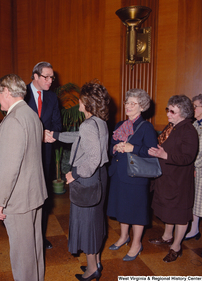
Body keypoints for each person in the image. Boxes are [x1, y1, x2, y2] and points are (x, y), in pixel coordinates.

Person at [0, 74, 48, 281]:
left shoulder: (13, 120)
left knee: (22, 255)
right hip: (32, 192)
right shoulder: (31, 115)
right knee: (34, 248)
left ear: (6, 92)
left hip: (17, 198)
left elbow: (9, 167)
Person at [46, 80, 110, 281]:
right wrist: (55, 135)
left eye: (81, 100)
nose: (78, 103)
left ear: (86, 102)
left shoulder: (88, 125)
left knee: (87, 224)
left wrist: (75, 174)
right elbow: (79, 137)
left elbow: (93, 158)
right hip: (99, 177)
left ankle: (92, 270)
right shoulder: (98, 122)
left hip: (87, 178)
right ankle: (96, 262)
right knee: (96, 222)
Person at [107, 89, 158, 261]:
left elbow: (152, 153)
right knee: (122, 207)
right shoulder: (119, 125)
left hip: (136, 177)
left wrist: (132, 148)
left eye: (133, 103)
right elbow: (110, 147)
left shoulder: (147, 127)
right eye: (127, 102)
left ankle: (136, 243)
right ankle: (123, 237)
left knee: (136, 211)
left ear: (142, 107)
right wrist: (114, 148)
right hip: (119, 174)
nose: (128, 106)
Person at [148, 95, 199, 262]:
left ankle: (176, 246)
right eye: (167, 110)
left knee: (179, 214)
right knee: (168, 209)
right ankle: (167, 236)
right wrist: (156, 151)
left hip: (179, 181)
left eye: (172, 111)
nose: (168, 114)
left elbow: (188, 157)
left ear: (183, 113)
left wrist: (165, 155)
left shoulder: (188, 130)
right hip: (167, 178)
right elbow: (163, 145)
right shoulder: (172, 126)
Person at [25, 61, 62, 249]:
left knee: (43, 196)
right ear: (36, 77)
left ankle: (40, 236)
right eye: (46, 77)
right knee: (26, 196)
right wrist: (38, 135)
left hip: (45, 154)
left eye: (52, 77)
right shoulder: (20, 95)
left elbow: (57, 124)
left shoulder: (53, 98)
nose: (50, 81)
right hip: (24, 155)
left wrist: (49, 134)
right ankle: (26, 238)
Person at [184, 94, 202, 240]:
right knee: (196, 200)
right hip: (196, 168)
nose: (193, 109)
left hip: (200, 168)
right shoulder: (195, 124)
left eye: (195, 106)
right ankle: (194, 228)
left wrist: (196, 166)